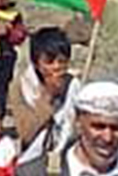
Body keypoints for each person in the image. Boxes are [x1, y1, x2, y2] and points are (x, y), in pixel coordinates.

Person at [11, 26, 83, 164]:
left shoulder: (74, 86)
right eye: (49, 62)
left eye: (62, 61)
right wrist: (48, 96)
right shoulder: (21, 87)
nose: (56, 67)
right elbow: (26, 133)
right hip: (32, 159)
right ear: (36, 63)